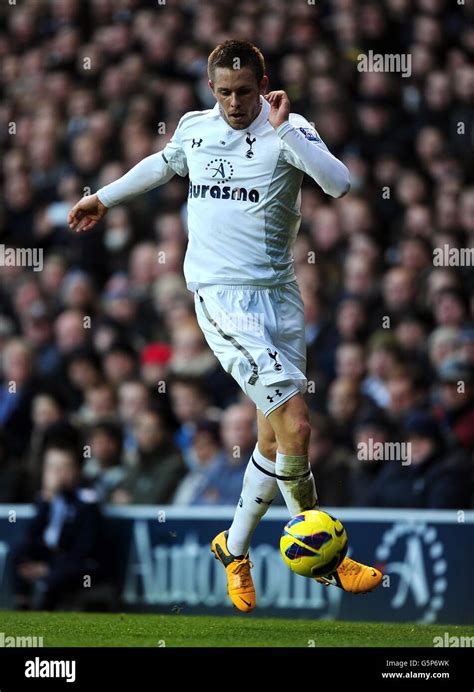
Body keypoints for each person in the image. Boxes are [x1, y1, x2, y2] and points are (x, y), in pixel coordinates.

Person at [68, 40, 381, 612]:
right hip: (222, 300)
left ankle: (233, 549)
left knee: (270, 437)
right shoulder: (195, 129)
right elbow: (160, 166)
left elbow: (340, 186)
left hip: (281, 300)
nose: (235, 103)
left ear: (264, 84)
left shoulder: (290, 128)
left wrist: (285, 131)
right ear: (211, 88)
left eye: (245, 91)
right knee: (298, 426)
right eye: (224, 92)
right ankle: (326, 559)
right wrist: (103, 199)